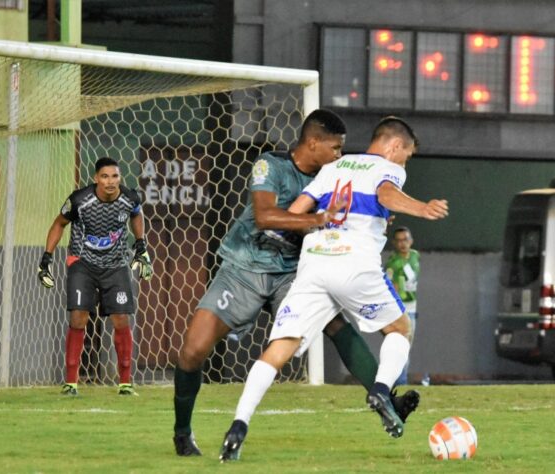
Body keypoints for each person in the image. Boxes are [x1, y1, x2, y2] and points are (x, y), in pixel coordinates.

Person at [172, 109, 420, 457]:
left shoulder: (334, 174)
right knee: (193, 350)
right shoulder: (270, 166)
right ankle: (182, 431)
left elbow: (359, 205)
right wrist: (318, 218)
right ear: (313, 143)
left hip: (293, 270)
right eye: (335, 148)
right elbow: (263, 216)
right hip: (245, 266)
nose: (339, 155)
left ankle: (387, 399)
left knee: (336, 325)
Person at [38, 157, 154, 396]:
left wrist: (140, 243)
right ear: (95, 179)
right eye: (105, 176)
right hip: (83, 264)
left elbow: (137, 214)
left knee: (121, 319)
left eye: (115, 176)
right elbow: (59, 224)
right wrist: (46, 258)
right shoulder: (80, 200)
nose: (110, 182)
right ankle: (71, 382)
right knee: (79, 317)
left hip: (116, 265)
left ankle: (125, 383)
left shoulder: (129, 198)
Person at [385, 226, 420, 385]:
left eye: (405, 240)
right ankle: (400, 382)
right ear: (394, 243)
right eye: (398, 241)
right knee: (401, 348)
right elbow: (389, 285)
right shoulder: (393, 262)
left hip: (412, 308)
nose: (402, 244)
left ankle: (399, 381)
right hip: (401, 310)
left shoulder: (415, 256)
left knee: (406, 348)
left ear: (411, 241)